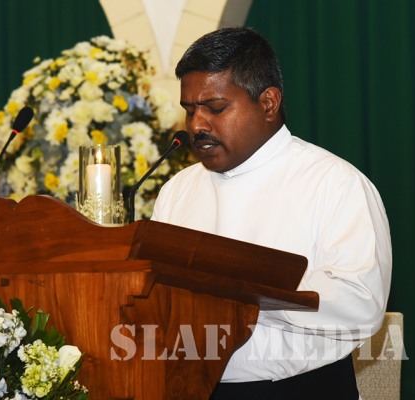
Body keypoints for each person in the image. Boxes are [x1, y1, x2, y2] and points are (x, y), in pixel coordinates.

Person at [151, 27, 392, 399]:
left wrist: (245, 290)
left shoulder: (334, 183)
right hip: (191, 388)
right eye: (189, 110)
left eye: (215, 108)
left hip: (301, 390)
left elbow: (361, 304)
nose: (197, 125)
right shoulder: (177, 190)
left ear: (268, 103)